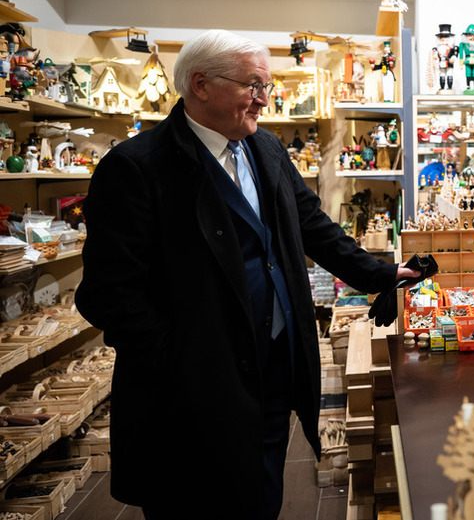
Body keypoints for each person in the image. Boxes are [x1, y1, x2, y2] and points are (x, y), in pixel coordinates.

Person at [75, 29, 422, 519]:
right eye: (253, 86)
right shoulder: (137, 168)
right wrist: (178, 358)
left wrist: (381, 274)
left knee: (261, 492)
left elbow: (313, 226)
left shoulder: (266, 150)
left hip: (274, 365)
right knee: (192, 503)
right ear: (200, 84)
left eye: (267, 87)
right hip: (190, 389)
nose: (264, 100)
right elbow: (109, 293)